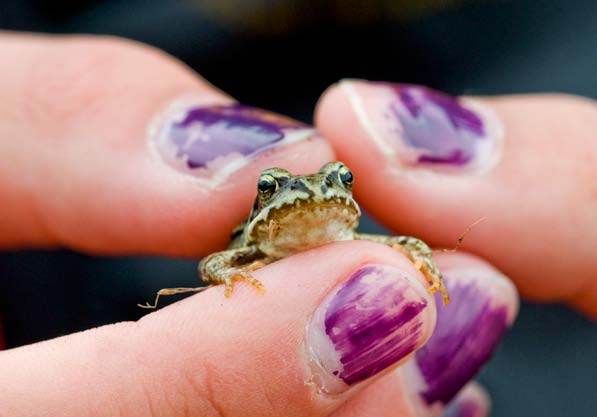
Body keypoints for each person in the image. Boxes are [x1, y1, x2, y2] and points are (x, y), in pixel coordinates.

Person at [0, 33, 594, 417]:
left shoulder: (359, 240)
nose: (316, 194)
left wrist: (425, 264)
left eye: (338, 183)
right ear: (264, 203)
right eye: (275, 189)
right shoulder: (253, 246)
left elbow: (409, 244)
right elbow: (213, 265)